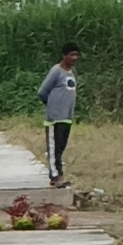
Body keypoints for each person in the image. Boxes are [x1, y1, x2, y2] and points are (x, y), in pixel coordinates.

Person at [39, 46, 81, 183]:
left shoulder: (73, 72)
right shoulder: (56, 71)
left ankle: (59, 174)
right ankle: (55, 176)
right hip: (54, 118)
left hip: (67, 117)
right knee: (53, 148)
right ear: (64, 56)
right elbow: (42, 92)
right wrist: (52, 106)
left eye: (76, 55)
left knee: (61, 147)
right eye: (71, 55)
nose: (74, 58)